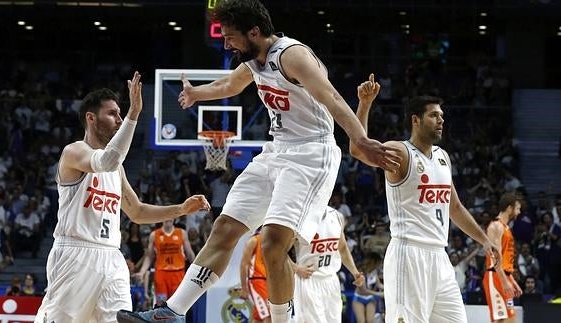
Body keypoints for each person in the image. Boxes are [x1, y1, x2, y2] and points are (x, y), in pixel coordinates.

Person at [117, 1, 400, 323]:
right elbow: (229, 85)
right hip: (276, 150)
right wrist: (197, 93)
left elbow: (331, 97)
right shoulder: (253, 60)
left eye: (231, 36)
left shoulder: (292, 55)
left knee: (273, 242)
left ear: (254, 32)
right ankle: (172, 312)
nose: (226, 44)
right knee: (224, 228)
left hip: (311, 154)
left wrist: (360, 138)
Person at [34, 72, 211, 323]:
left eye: (121, 113)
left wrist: (181, 209)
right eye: (112, 114)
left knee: (121, 319)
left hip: (112, 257)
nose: (119, 119)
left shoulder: (117, 169)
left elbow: (137, 212)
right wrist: (133, 114)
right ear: (91, 118)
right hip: (75, 255)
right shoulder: (74, 152)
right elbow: (107, 160)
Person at [350, 74, 501, 323]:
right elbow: (357, 149)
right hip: (409, 254)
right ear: (415, 120)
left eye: (442, 115)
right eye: (434, 115)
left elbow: (455, 207)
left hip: (440, 258)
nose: (441, 120)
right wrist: (365, 105)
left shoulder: (443, 157)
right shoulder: (401, 152)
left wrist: (484, 240)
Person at [290, 206, 364, 323]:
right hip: (309, 280)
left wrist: (355, 272)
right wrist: (297, 268)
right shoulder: (298, 217)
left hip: (331, 280)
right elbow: (279, 251)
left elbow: (343, 248)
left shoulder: (337, 216)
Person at [483, 193, 523, 323]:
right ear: (509, 208)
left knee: (510, 319)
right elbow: (495, 257)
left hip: (503, 276)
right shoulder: (496, 226)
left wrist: (511, 280)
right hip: (495, 277)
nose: (519, 212)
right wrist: (505, 281)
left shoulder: (506, 228)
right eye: (517, 208)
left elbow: (505, 259)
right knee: (501, 320)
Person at [137, 219, 196, 304]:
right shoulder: (154, 235)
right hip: (161, 273)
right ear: (163, 218)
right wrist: (142, 272)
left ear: (174, 218)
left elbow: (190, 254)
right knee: (161, 303)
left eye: (171, 215)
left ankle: (176, 317)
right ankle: (161, 316)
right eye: (167, 215)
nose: (169, 219)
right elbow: (149, 257)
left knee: (177, 304)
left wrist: (196, 270)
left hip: (178, 273)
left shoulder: (181, 233)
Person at [239, 227, 270, 323]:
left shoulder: (270, 242)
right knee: (269, 314)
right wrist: (244, 288)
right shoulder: (254, 240)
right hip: (256, 280)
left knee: (259, 318)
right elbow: (243, 264)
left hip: (267, 281)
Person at [352, 252, 384, 323]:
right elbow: (363, 290)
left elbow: (379, 284)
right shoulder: (360, 272)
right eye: (378, 263)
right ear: (373, 262)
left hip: (370, 298)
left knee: (370, 321)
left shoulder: (374, 271)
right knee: (361, 321)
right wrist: (379, 294)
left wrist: (387, 289)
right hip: (359, 298)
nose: (379, 265)